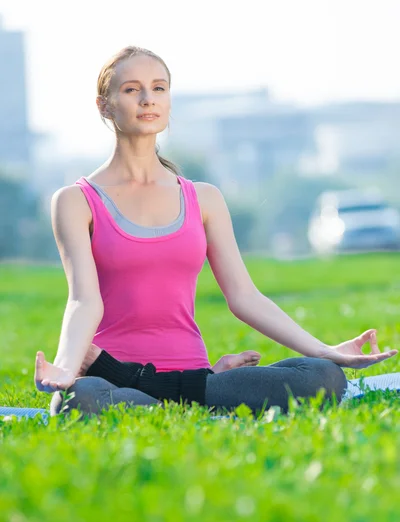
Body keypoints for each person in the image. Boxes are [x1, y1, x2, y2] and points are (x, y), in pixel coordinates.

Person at [34, 45, 398, 417]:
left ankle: (170, 393)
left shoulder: (203, 198)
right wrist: (66, 365)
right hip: (116, 381)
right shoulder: (76, 200)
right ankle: (196, 396)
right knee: (84, 398)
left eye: (159, 88)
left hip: (189, 375)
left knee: (322, 376)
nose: (148, 99)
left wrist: (324, 350)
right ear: (104, 105)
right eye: (131, 90)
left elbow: (244, 296)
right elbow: (83, 300)